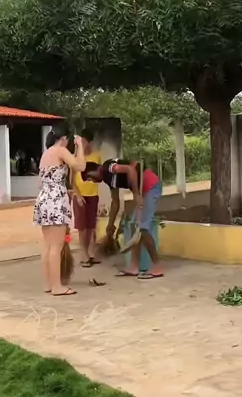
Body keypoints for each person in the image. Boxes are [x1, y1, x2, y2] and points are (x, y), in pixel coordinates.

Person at [83, 158, 163, 278]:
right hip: (144, 190)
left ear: (90, 172)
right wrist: (110, 224)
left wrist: (135, 193)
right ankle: (134, 266)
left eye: (89, 179)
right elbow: (115, 202)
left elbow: (130, 170)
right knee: (133, 225)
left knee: (143, 228)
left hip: (151, 187)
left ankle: (157, 267)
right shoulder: (108, 179)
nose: (93, 182)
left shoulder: (107, 168)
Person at [33, 125, 85, 296]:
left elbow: (40, 182)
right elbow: (80, 166)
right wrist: (80, 146)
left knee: (48, 245)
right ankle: (57, 287)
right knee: (56, 245)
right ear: (63, 139)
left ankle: (49, 284)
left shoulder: (46, 154)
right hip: (55, 199)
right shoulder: (60, 150)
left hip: (44, 198)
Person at [72, 128, 102, 267]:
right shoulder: (75, 158)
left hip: (93, 195)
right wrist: (77, 195)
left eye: (84, 142)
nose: (82, 144)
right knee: (81, 227)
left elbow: (99, 176)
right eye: (80, 142)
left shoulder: (96, 157)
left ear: (89, 142)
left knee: (91, 226)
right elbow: (71, 180)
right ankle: (83, 254)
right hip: (80, 195)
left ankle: (90, 253)